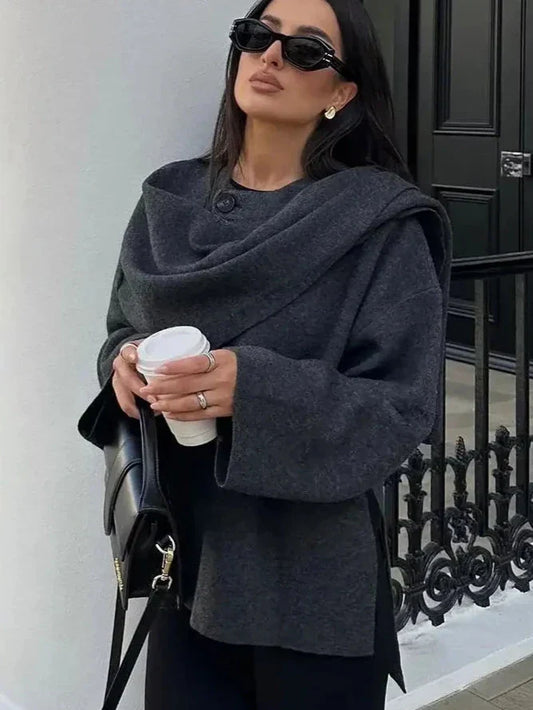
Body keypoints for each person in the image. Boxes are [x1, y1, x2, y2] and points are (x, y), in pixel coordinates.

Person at [83, 0, 453, 707]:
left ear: (342, 92)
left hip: (311, 587)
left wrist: (252, 389)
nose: (271, 55)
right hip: (183, 567)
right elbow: (118, 328)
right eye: (258, 35)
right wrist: (124, 362)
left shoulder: (379, 224)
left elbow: (401, 409)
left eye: (306, 50)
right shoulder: (168, 201)